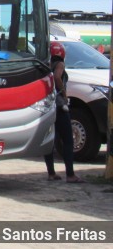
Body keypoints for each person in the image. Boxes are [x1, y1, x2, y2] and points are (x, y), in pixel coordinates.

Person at [44, 41, 84, 183]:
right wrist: (64, 93)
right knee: (67, 140)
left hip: (48, 106)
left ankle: (51, 173)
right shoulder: (60, 65)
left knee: (50, 141)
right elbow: (57, 77)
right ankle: (70, 174)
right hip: (60, 107)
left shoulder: (46, 65)